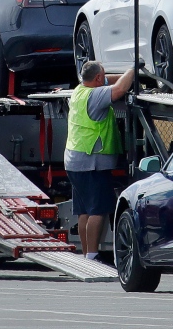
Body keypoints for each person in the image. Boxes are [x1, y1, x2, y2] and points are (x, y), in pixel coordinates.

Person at [65, 61, 135, 260]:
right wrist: (133, 69)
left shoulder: (79, 91)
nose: (104, 79)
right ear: (96, 79)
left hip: (75, 160)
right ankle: (94, 255)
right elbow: (120, 88)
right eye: (102, 77)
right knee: (99, 210)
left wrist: (120, 76)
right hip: (92, 162)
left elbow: (109, 81)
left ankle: (87, 255)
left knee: (84, 212)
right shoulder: (95, 96)